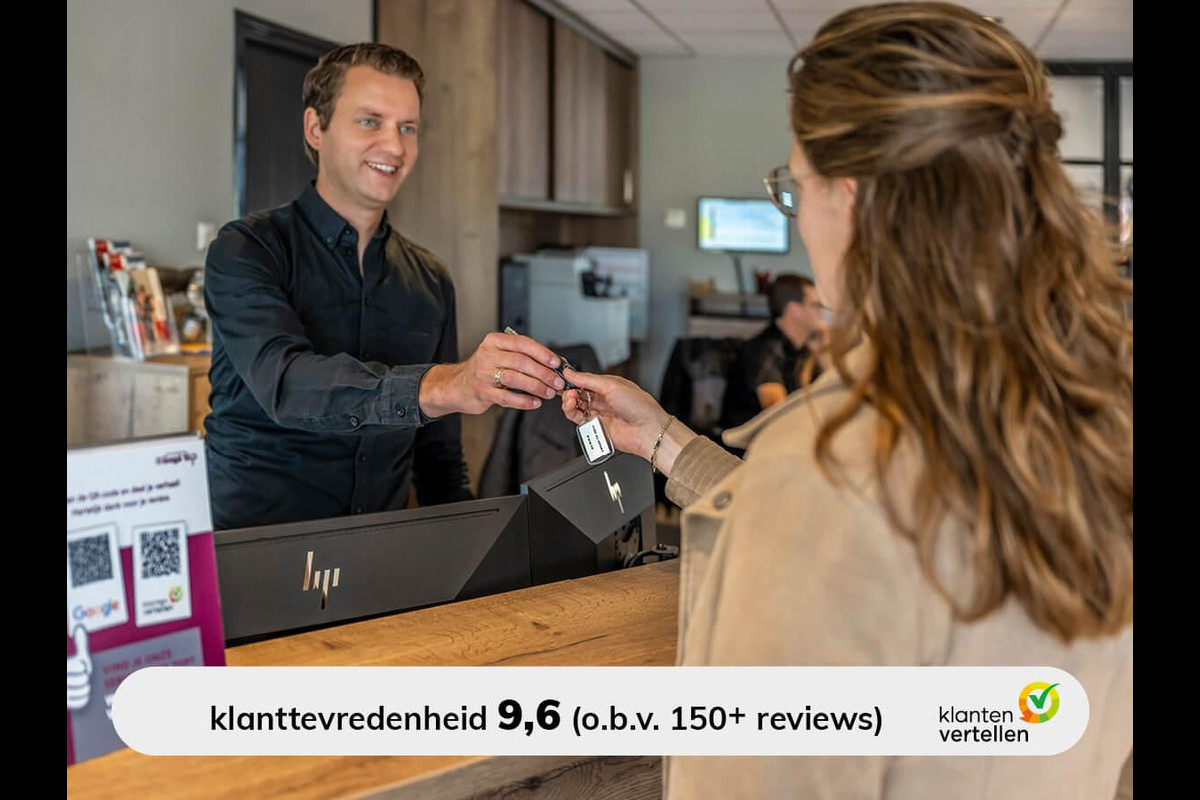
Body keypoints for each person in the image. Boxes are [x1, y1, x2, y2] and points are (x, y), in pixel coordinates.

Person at [560, 4, 1133, 797]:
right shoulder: (1089, 406)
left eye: (794, 186)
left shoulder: (830, 466)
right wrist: (665, 442)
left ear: (855, 201)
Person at [204, 43, 565, 530]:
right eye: (370, 121)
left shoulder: (429, 280)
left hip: (378, 549)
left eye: (407, 128)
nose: (394, 146)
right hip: (256, 547)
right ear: (315, 128)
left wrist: (479, 552)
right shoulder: (247, 249)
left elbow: (438, 459)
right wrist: (446, 384)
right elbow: (287, 382)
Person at [719, 273, 827, 431]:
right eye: (815, 305)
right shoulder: (762, 352)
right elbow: (779, 417)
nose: (821, 312)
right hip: (749, 443)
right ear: (794, 310)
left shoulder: (802, 349)